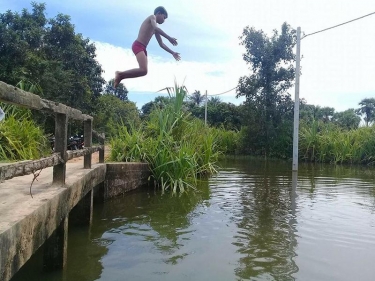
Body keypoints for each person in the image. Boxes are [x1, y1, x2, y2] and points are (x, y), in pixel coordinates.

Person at [114, 6, 181, 88]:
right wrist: (169, 38)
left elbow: (161, 44)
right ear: (159, 13)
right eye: (164, 17)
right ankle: (120, 74)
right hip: (138, 45)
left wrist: (172, 52)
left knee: (144, 71)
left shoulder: (155, 30)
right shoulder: (152, 17)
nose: (164, 20)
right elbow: (156, 27)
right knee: (143, 69)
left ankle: (121, 76)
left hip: (143, 48)